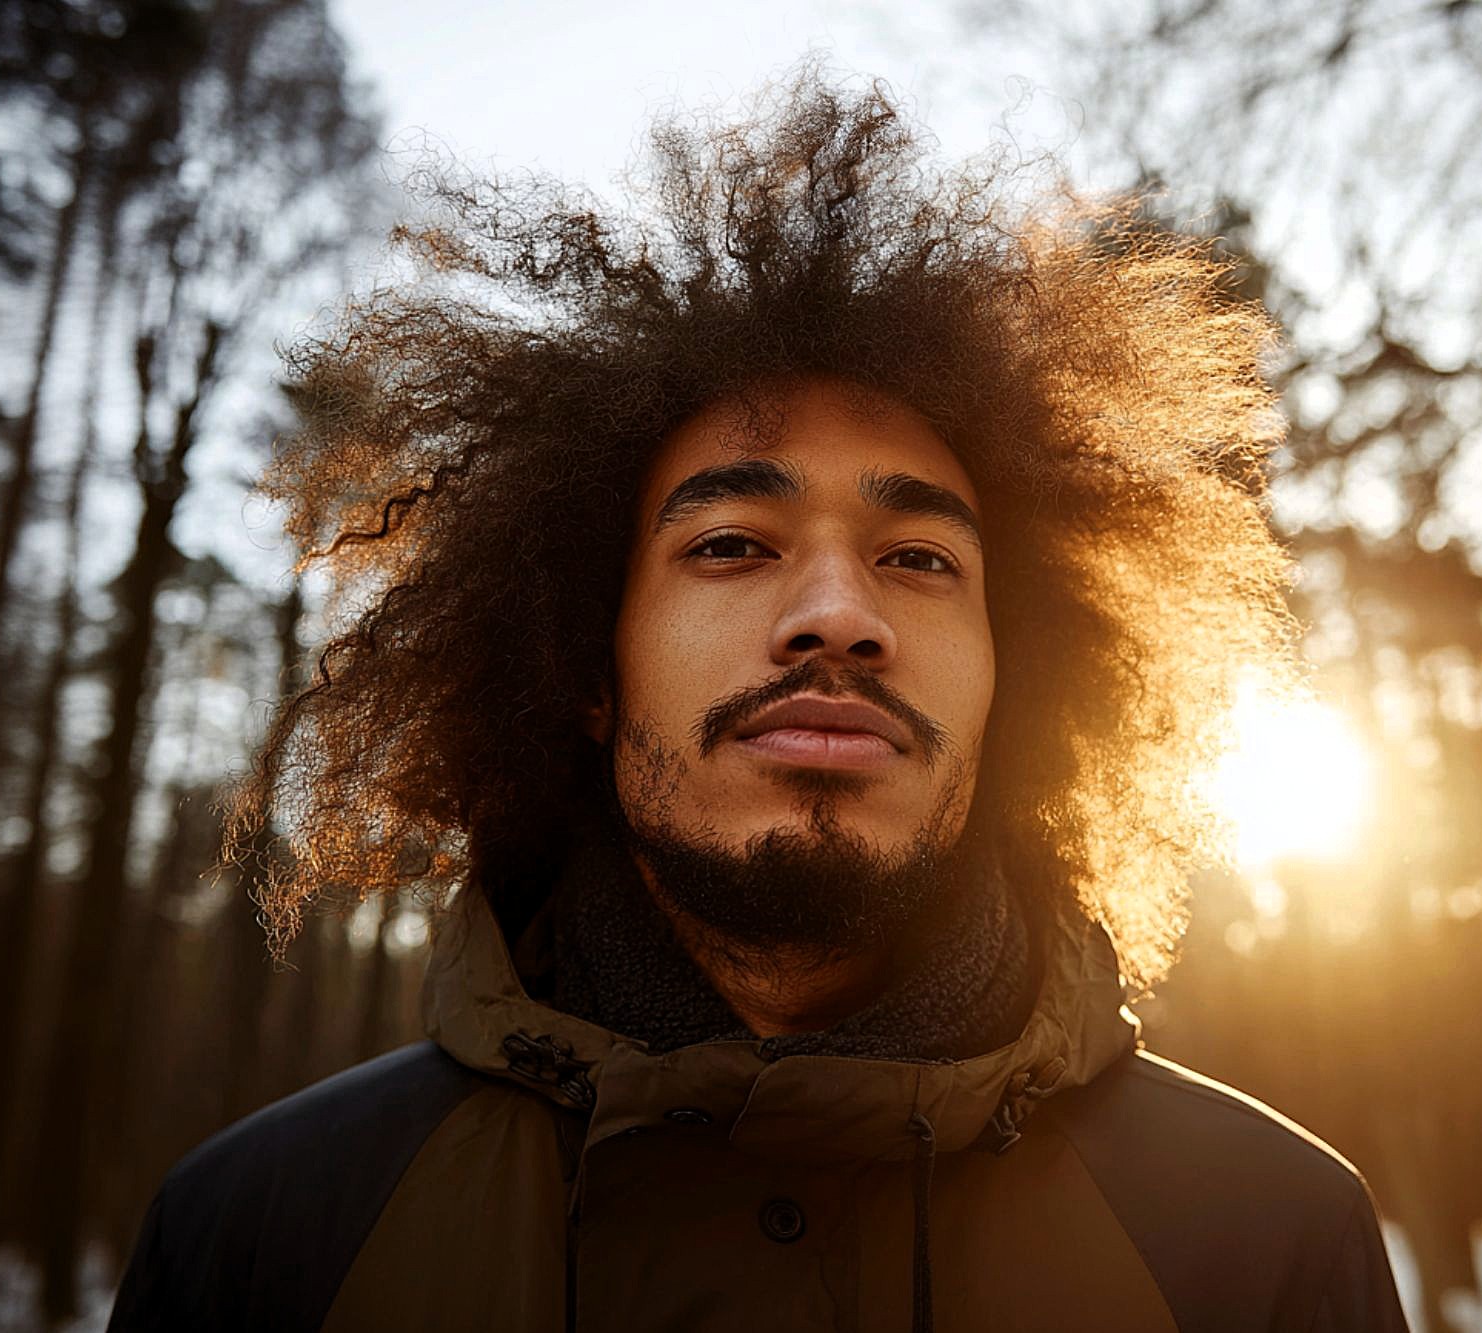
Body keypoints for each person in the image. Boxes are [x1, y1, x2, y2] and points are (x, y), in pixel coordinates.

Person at [107, 74, 1411, 1333]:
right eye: (732, 543)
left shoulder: (1268, 1238)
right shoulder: (262, 1242)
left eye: (919, 557)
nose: (840, 611)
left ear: (1029, 674)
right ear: (584, 669)